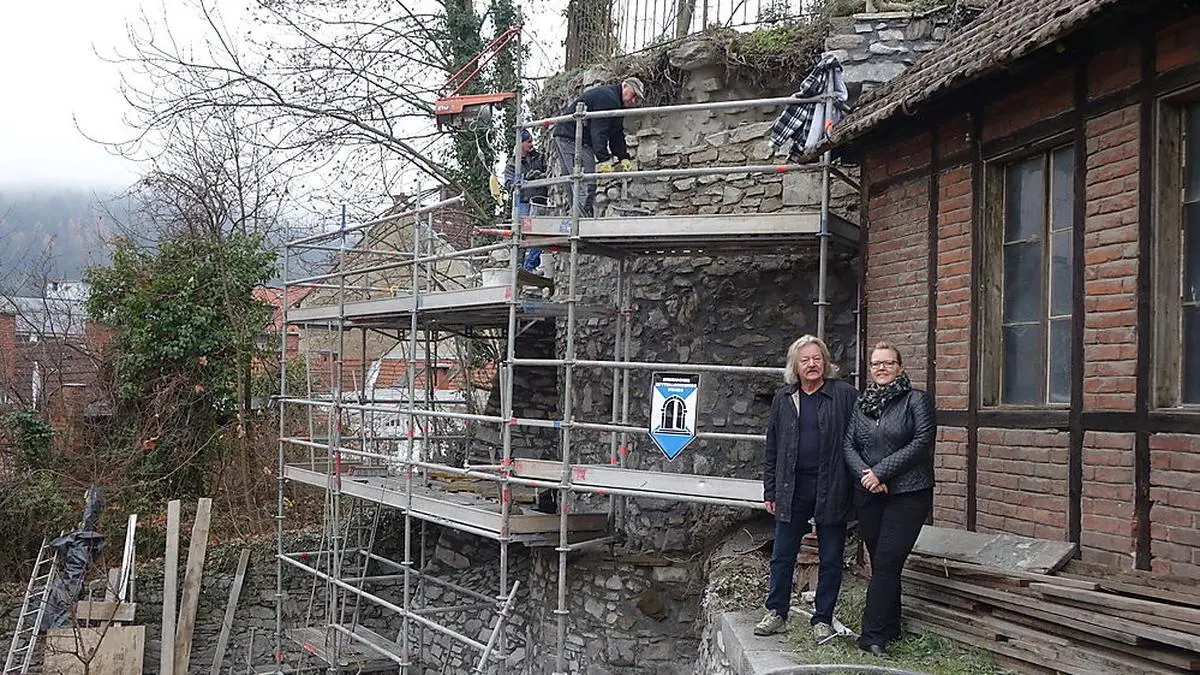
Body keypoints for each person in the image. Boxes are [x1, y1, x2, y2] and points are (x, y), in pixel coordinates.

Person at [755, 335, 859, 644]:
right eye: (805, 360)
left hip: (832, 485)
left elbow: (860, 437)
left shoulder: (844, 395)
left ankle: (823, 619)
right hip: (792, 487)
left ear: (826, 363)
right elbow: (772, 446)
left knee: (831, 556)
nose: (812, 364)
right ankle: (777, 613)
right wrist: (770, 490)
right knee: (783, 553)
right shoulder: (784, 398)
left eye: (817, 358)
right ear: (795, 366)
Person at [842, 341, 935, 657]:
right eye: (876, 364)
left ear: (900, 367)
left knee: (887, 561)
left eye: (888, 363)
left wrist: (881, 472)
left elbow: (922, 441)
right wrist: (867, 476)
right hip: (869, 494)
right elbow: (849, 445)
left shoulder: (916, 400)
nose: (881, 368)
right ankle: (891, 626)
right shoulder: (862, 404)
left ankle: (871, 636)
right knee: (882, 561)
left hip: (908, 493)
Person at [551, 77, 645, 217]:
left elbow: (616, 133)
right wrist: (603, 158)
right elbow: (599, 131)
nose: (633, 100)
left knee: (582, 182)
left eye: (637, 98)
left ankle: (579, 218)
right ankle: (580, 220)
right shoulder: (607, 98)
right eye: (633, 95)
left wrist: (623, 156)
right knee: (581, 181)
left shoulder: (616, 103)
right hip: (570, 137)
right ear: (624, 86)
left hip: (576, 138)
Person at [504, 129, 548, 272]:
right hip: (522, 202)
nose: (532, 144)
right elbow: (508, 184)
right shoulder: (512, 163)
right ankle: (518, 266)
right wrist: (524, 178)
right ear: (520, 143)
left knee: (539, 234)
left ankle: (529, 267)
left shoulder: (540, 158)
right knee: (520, 234)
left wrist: (541, 176)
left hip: (539, 201)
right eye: (528, 142)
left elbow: (549, 173)